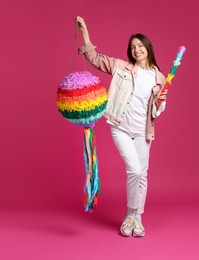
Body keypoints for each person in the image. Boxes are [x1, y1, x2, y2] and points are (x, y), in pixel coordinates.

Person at [75, 16, 167, 237]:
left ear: (148, 48)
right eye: (133, 47)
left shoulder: (160, 77)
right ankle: (129, 215)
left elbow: (156, 111)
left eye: (140, 45)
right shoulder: (120, 67)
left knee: (142, 174)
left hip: (144, 131)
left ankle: (137, 218)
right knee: (134, 170)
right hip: (121, 126)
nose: (136, 50)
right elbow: (94, 58)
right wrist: (85, 31)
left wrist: (160, 103)